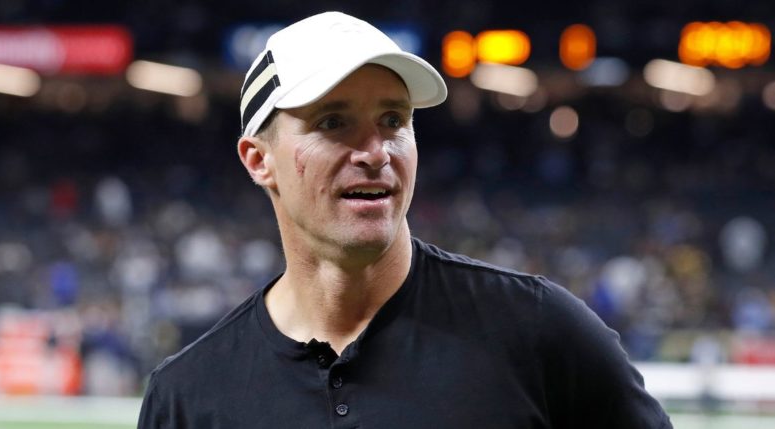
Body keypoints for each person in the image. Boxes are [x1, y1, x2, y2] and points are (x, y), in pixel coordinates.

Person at [138, 11, 672, 428]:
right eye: (333, 122)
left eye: (393, 119)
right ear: (259, 160)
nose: (375, 151)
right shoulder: (188, 396)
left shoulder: (540, 332)